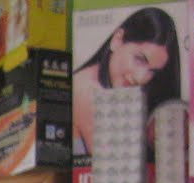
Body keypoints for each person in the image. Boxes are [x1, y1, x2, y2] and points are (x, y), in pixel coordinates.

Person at [71, 6, 183, 157]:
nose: (141, 78)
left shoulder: (124, 96)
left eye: (153, 71)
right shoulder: (85, 90)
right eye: (140, 59)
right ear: (117, 40)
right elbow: (110, 164)